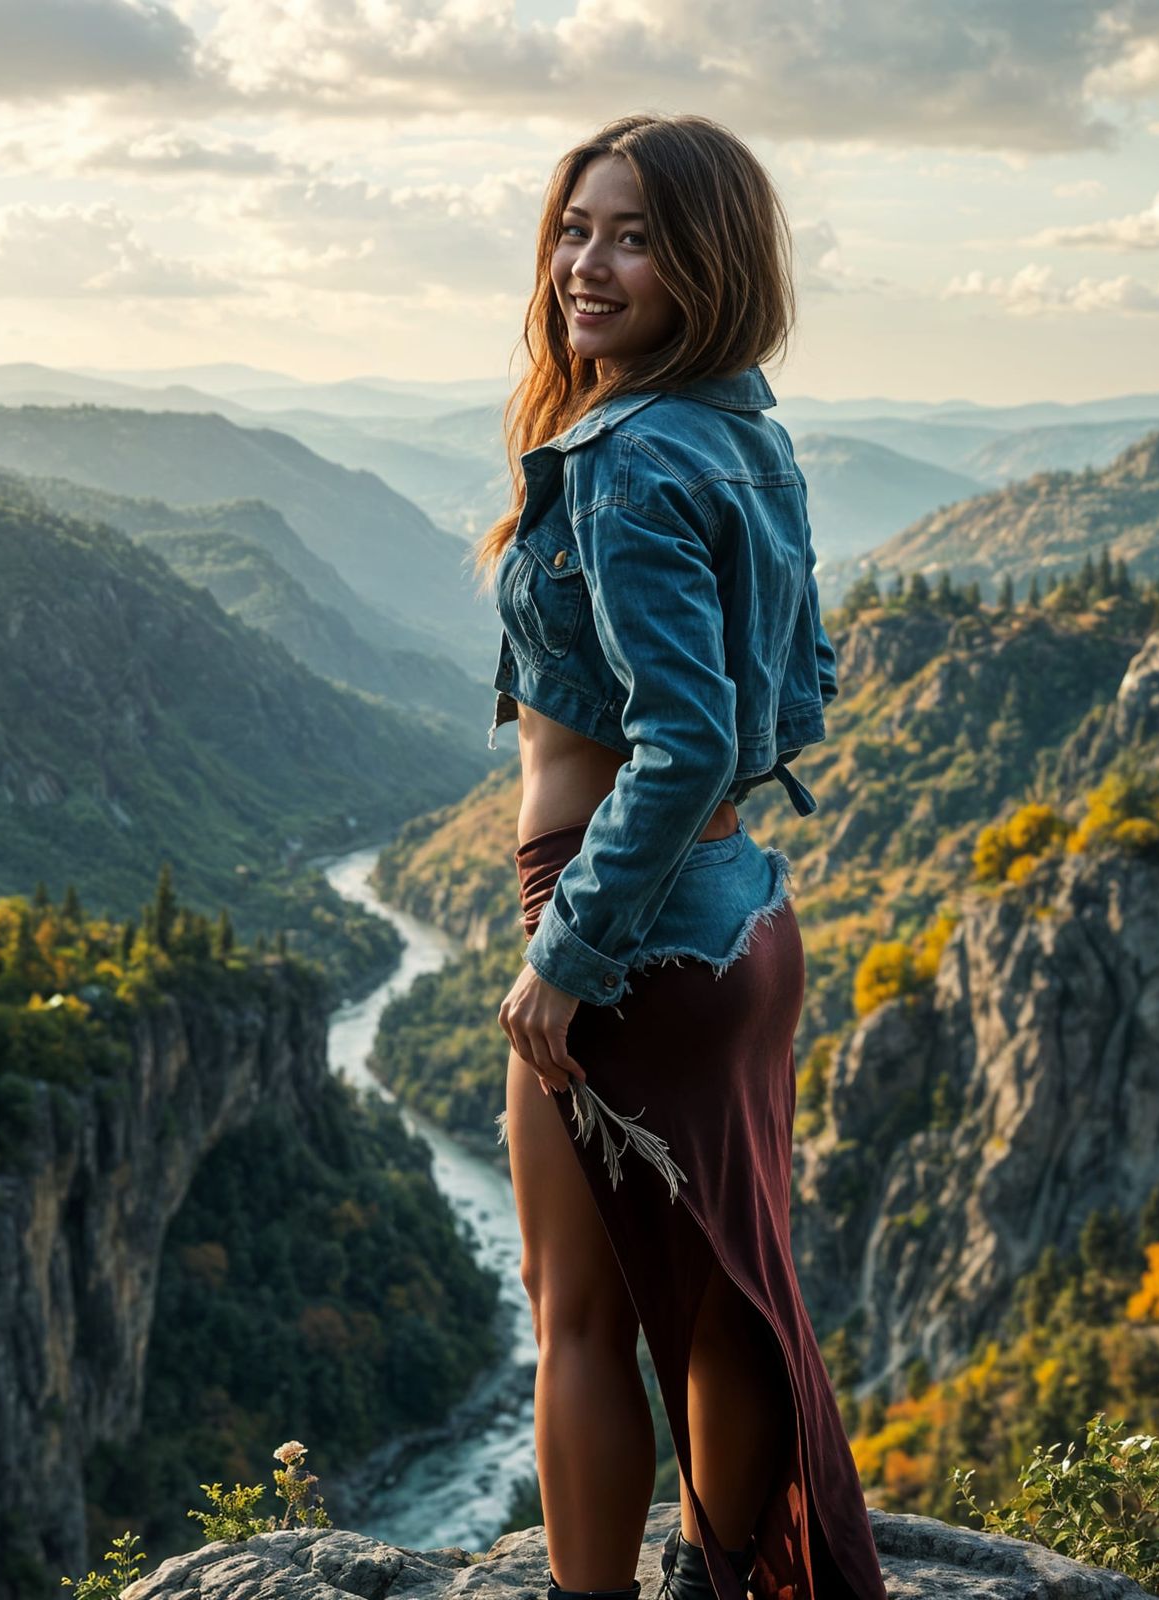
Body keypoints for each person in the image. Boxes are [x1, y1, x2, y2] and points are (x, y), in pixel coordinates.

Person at [469, 114, 890, 1600]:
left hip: (620, 915)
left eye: (634, 233)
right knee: (729, 1312)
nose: (588, 261)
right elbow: (804, 687)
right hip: (738, 921)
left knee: (578, 1316)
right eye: (577, 226)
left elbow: (693, 736)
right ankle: (738, 1586)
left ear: (706, 259)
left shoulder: (634, 456)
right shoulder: (741, 433)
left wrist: (566, 956)